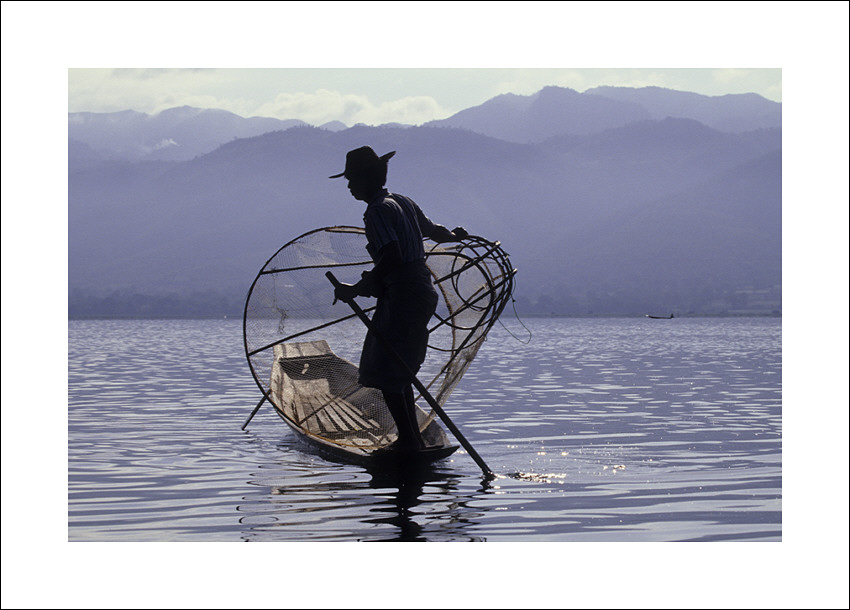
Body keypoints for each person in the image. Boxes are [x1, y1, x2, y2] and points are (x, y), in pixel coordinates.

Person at [329, 146, 467, 453]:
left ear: (367, 178)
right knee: (399, 368)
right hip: (419, 292)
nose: (350, 186)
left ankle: (407, 442)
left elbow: (391, 257)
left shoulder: (377, 211)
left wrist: (355, 289)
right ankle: (412, 439)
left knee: (387, 368)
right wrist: (456, 237)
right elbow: (434, 232)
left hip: (404, 294)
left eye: (352, 180)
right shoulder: (402, 201)